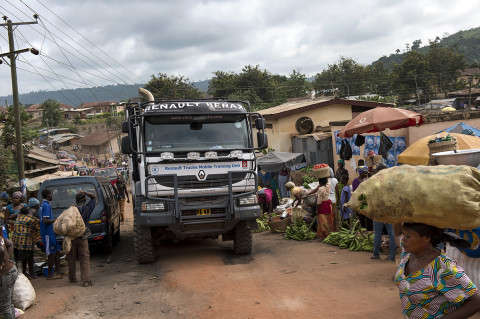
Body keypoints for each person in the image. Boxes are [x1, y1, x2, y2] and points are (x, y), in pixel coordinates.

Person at [396, 223, 480, 318]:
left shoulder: (443, 267)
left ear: (427, 238)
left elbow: (476, 301)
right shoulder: (407, 255)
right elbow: (397, 235)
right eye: (404, 234)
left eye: (408, 236)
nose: (403, 239)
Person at [68, 190, 96, 287]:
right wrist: (86, 192)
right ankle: (86, 281)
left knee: (71, 257)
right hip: (83, 237)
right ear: (84, 200)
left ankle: (72, 278)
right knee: (84, 257)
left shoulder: (71, 210)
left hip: (72, 237)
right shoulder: (87, 209)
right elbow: (94, 197)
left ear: (76, 200)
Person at [370, 163, 396, 261]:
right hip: (388, 209)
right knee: (391, 233)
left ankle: (376, 254)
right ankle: (392, 256)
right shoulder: (390, 181)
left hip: (377, 210)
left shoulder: (374, 181)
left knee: (378, 233)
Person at [12, 198, 40, 278]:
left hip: (16, 241)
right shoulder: (32, 218)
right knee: (30, 257)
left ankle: (24, 272)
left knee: (23, 258)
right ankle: (31, 273)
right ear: (37, 206)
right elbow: (36, 229)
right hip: (25, 241)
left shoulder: (19, 216)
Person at [39, 189, 62, 280]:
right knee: (52, 253)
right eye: (51, 194)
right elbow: (46, 220)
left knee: (57, 250)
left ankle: (58, 271)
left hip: (50, 232)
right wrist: (58, 220)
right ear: (48, 195)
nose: (52, 196)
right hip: (47, 232)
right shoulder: (46, 205)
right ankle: (49, 274)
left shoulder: (45, 205)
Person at [0, 236, 18, 319]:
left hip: (5, 275)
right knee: (8, 302)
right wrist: (8, 259)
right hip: (11, 270)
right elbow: (10, 244)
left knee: (4, 307)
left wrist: (1, 263)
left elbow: (1, 250)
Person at [352, 166, 373, 231]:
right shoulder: (356, 181)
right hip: (360, 202)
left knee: (369, 218)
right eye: (365, 173)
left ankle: (370, 232)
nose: (366, 175)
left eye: (367, 173)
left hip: (367, 202)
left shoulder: (366, 179)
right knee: (362, 218)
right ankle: (363, 232)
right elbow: (356, 192)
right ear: (361, 173)